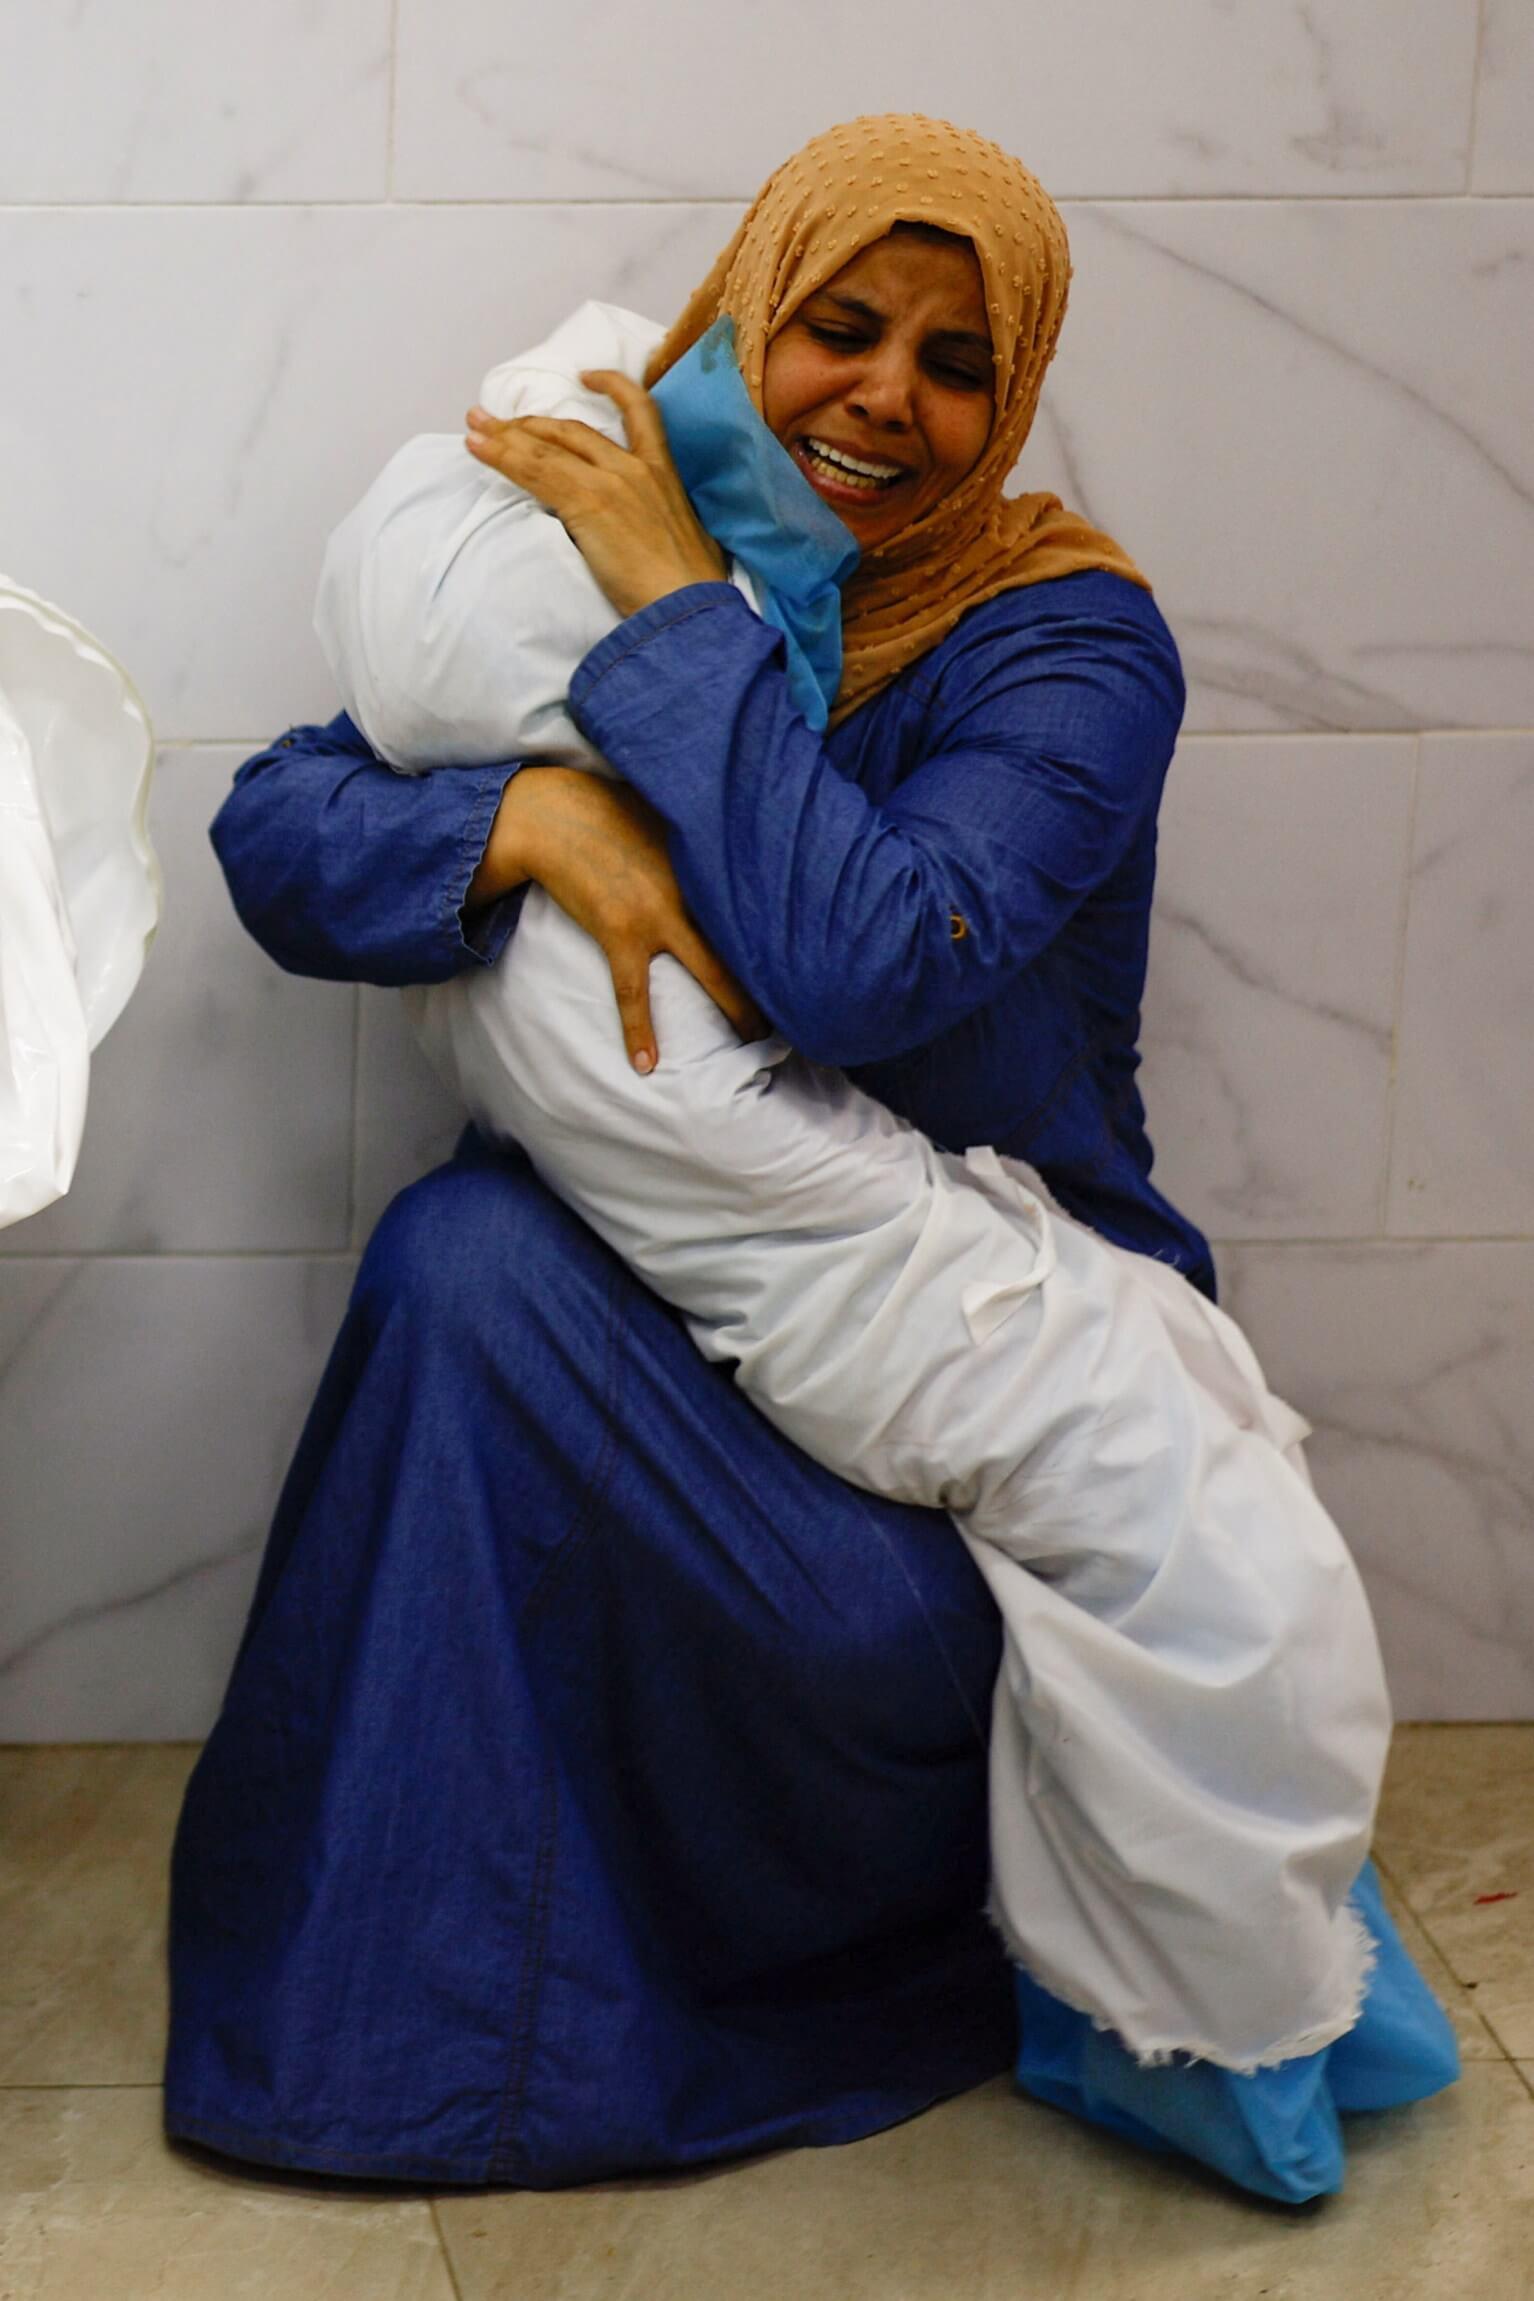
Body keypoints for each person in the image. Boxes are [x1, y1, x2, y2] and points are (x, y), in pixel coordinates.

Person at [165, 116, 1456, 2202]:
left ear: (1014, 388)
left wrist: (672, 602)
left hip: (961, 1382)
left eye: (955, 361)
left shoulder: (1063, 644)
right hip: (697, 1329)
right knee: (466, 1256)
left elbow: (871, 958)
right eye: (836, 328)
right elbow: (283, 824)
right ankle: (400, 2020)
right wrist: (524, 826)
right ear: (745, 319)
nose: (886, 398)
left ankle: (907, 1947)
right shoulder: (590, 549)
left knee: (774, 1532)